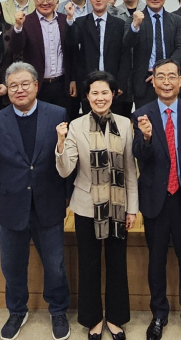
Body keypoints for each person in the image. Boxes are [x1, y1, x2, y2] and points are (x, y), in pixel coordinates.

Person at [0, 62, 71, 340]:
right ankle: (17, 311)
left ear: (36, 85)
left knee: (54, 264)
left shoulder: (58, 114)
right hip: (10, 204)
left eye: (25, 84)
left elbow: (67, 157)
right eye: (13, 85)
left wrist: (67, 195)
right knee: (12, 266)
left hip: (48, 201)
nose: (19, 89)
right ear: (7, 89)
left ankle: (58, 310)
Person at [56, 70, 138, 340]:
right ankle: (92, 319)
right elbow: (65, 170)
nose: (100, 97)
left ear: (113, 95)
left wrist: (132, 208)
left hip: (117, 205)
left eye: (105, 92)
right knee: (88, 264)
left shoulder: (125, 124)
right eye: (95, 93)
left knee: (117, 263)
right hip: (85, 206)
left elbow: (130, 169)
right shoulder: (76, 125)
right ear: (87, 96)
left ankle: (115, 318)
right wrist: (60, 143)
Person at [132, 59, 181, 340]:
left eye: (172, 76)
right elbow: (139, 156)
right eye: (161, 76)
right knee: (156, 261)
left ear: (180, 80)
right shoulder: (141, 114)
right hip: (156, 199)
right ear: (152, 81)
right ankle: (159, 314)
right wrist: (146, 138)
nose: (166, 82)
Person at [8, 0, 76, 112]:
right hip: (38, 85)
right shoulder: (26, 22)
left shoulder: (65, 20)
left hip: (62, 84)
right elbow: (15, 49)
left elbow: (72, 51)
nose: (45, 3)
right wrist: (18, 26)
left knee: (64, 119)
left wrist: (73, 79)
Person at [66, 0, 131, 116]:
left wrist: (121, 83)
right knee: (90, 122)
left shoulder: (119, 24)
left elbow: (125, 56)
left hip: (112, 83)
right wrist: (70, 18)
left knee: (114, 123)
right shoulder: (80, 22)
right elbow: (71, 45)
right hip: (88, 83)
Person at [123, 0, 181, 108]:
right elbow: (127, 44)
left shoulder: (176, 20)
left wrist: (162, 70)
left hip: (170, 80)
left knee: (170, 118)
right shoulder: (133, 19)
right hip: (144, 82)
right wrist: (135, 26)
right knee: (145, 119)